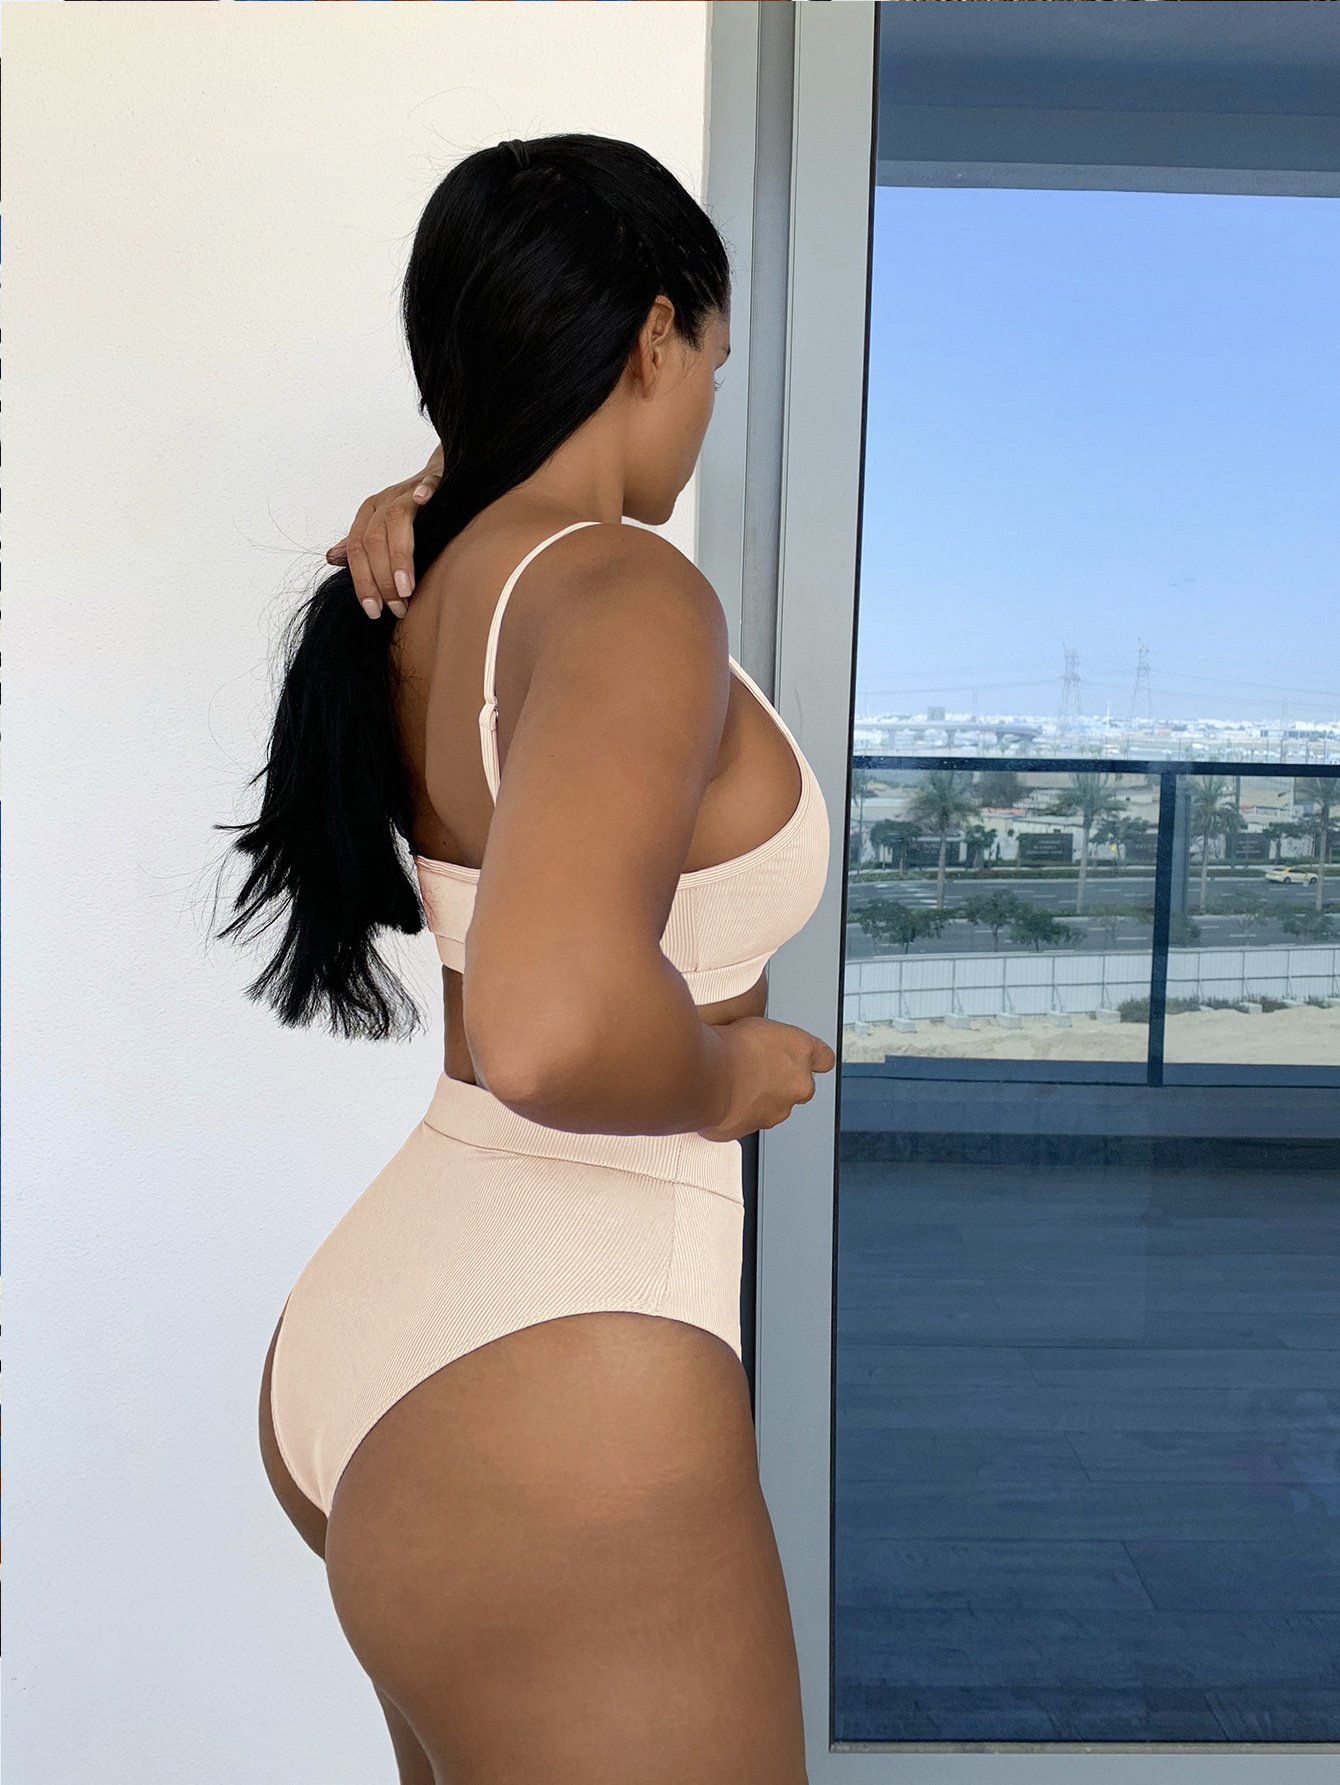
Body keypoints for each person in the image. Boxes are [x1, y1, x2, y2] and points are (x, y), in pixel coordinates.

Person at [214, 133, 832, 1784]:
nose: (708, 405)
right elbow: (553, 1030)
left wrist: (438, 474)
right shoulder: (625, 590)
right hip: (566, 1357)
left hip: (417, 1313)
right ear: (651, 336)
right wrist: (732, 1072)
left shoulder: (434, 577)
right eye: (713, 360)